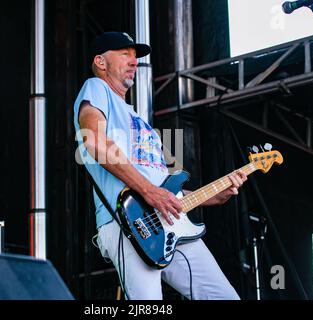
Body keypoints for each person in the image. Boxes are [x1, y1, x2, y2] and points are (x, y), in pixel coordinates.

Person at [73, 31, 247, 300]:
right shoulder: (96, 88)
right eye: (124, 54)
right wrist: (150, 192)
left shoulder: (137, 119)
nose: (133, 61)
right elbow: (95, 142)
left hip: (169, 224)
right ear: (100, 62)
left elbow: (164, 192)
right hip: (129, 222)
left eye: (135, 57)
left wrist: (211, 196)